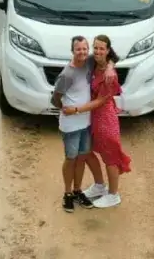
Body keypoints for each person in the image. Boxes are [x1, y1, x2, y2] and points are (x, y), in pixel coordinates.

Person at [62, 34, 130, 208]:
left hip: (105, 118)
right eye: (96, 47)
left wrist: (75, 110)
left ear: (107, 50)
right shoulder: (93, 62)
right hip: (92, 118)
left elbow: (100, 101)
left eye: (102, 48)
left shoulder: (110, 76)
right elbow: (113, 57)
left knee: (110, 157)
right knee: (87, 152)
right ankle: (100, 185)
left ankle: (113, 194)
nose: (98, 51)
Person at [50, 36, 107, 212]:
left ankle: (77, 190)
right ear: (72, 51)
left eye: (84, 49)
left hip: (86, 122)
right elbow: (55, 99)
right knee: (71, 158)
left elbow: (111, 56)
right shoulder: (67, 74)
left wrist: (111, 67)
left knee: (82, 158)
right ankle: (67, 193)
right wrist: (65, 110)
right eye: (78, 49)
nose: (82, 52)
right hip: (71, 125)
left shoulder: (89, 63)